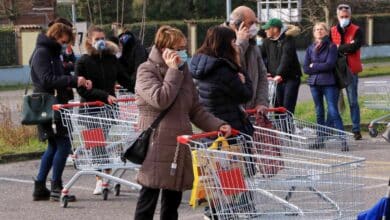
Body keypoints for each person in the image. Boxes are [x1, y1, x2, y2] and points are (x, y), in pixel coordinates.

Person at [134, 25, 232, 220]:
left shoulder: (182, 70)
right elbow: (161, 99)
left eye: (184, 48)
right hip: (156, 145)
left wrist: (217, 125)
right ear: (165, 50)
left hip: (179, 145)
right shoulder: (146, 70)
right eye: (179, 48)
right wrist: (172, 71)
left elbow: (195, 108)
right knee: (148, 200)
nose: (184, 53)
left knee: (172, 204)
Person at [31, 23, 92, 201]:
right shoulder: (43, 53)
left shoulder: (51, 52)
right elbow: (47, 79)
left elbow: (58, 73)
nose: (66, 43)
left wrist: (75, 78)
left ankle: (40, 187)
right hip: (50, 105)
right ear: (57, 36)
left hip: (56, 104)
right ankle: (56, 186)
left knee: (54, 145)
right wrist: (72, 80)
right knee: (64, 144)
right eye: (64, 40)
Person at [75, 26, 132, 195]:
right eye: (97, 39)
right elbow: (82, 90)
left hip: (108, 110)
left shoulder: (111, 59)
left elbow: (125, 79)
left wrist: (140, 90)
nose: (101, 41)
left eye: (102, 38)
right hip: (90, 110)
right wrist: (104, 95)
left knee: (103, 144)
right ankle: (100, 179)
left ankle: (105, 178)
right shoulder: (83, 62)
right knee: (96, 146)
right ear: (89, 41)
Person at [190, 25, 253, 135]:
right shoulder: (223, 70)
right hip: (229, 126)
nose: (235, 45)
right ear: (227, 44)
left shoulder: (200, 65)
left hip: (210, 123)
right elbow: (246, 95)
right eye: (234, 42)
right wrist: (241, 70)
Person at [303, 22, 345, 141]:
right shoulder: (310, 48)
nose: (319, 31)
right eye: (316, 29)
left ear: (327, 31)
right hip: (314, 84)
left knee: (333, 110)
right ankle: (320, 139)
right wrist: (316, 66)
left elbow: (330, 65)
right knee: (319, 111)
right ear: (314, 33)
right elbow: (305, 68)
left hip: (329, 83)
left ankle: (342, 138)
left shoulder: (331, 47)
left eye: (321, 29)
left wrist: (314, 65)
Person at [330, 4, 363, 140]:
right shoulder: (332, 30)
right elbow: (331, 48)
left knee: (353, 101)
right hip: (336, 69)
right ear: (337, 16)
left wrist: (339, 47)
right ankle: (336, 129)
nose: (344, 18)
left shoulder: (357, 30)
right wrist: (344, 47)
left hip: (351, 69)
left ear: (350, 16)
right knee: (335, 101)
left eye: (346, 16)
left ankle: (356, 129)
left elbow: (355, 46)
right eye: (342, 16)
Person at [229, 6, 269, 113]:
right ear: (238, 25)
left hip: (251, 111)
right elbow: (231, 64)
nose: (254, 27)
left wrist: (261, 102)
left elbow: (262, 76)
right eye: (251, 23)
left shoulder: (253, 45)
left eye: (255, 23)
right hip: (232, 112)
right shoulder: (221, 39)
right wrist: (241, 43)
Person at [261, 18, 302, 114]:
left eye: (268, 28)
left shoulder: (288, 40)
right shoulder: (267, 42)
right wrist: (265, 72)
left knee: (287, 107)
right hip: (275, 79)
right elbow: (261, 58)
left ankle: (288, 128)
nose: (265, 30)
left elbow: (286, 58)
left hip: (290, 78)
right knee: (277, 107)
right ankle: (279, 129)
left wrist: (279, 74)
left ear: (275, 29)